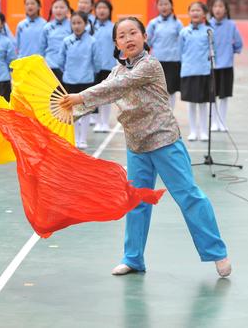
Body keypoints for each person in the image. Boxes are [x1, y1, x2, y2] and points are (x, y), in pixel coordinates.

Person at [59, 17, 231, 278]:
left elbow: (116, 87)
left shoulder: (150, 65)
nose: (128, 39)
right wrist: (65, 113)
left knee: (189, 196)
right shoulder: (117, 71)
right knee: (136, 201)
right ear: (116, 43)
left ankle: (217, 253)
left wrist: (80, 96)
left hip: (164, 142)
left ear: (144, 37)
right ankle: (133, 258)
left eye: (133, 33)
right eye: (122, 35)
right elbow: (107, 92)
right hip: (136, 145)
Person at [58, 11, 100, 149]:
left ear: (86, 24)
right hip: (70, 80)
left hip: (86, 80)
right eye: (74, 23)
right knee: (72, 111)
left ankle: (83, 139)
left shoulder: (92, 41)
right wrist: (68, 72)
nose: (76, 26)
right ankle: (75, 138)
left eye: (79, 23)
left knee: (86, 111)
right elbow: (60, 61)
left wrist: (89, 73)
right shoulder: (66, 41)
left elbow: (97, 63)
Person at [180, 1, 214, 141]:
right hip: (188, 71)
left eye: (198, 10)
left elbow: (213, 51)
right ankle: (193, 131)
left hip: (204, 71)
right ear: (189, 13)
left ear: (204, 14)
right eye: (192, 10)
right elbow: (180, 51)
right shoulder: (184, 32)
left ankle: (204, 131)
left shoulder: (209, 31)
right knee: (191, 103)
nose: (195, 13)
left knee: (203, 103)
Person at [209, 0, 243, 132]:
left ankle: (222, 122)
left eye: (221, 6)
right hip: (210, 65)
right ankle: (213, 122)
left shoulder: (231, 25)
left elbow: (239, 43)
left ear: (226, 9)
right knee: (212, 96)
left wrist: (230, 52)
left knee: (224, 96)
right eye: (215, 6)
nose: (218, 9)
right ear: (211, 9)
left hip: (226, 65)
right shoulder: (207, 24)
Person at [146, 0, 183, 109]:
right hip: (157, 61)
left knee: (171, 90)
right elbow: (147, 42)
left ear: (171, 6)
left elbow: (182, 42)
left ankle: (170, 114)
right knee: (157, 89)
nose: (164, 7)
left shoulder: (178, 23)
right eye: (161, 4)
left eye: (166, 4)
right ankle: (159, 115)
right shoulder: (153, 23)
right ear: (157, 7)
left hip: (173, 60)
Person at [92, 0, 115, 133]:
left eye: (104, 8)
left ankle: (105, 122)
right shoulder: (90, 27)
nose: (101, 10)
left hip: (108, 65)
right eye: (99, 8)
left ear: (109, 11)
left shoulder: (113, 27)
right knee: (95, 95)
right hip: (94, 67)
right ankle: (97, 121)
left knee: (106, 96)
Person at [37, 0, 72, 82]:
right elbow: (42, 48)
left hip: (67, 67)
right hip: (50, 66)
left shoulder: (72, 25)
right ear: (52, 10)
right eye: (56, 7)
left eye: (62, 7)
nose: (58, 10)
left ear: (68, 10)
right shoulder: (47, 27)